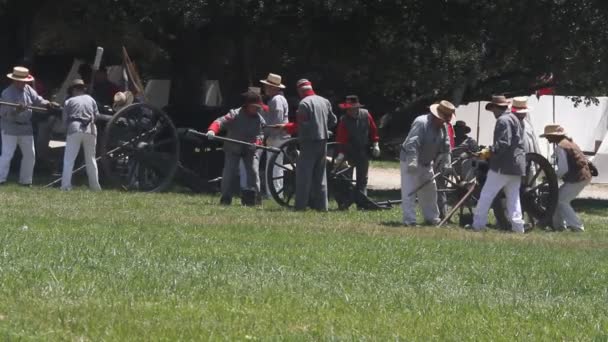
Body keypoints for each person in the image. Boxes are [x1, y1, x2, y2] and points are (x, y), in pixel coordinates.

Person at [275, 79, 337, 211]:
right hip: (323, 141)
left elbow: (301, 126)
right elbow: (333, 120)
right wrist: (323, 128)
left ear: (299, 90)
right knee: (321, 176)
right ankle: (322, 207)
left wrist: (286, 127)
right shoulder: (324, 101)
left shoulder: (304, 104)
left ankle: (300, 206)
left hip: (308, 142)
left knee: (303, 176)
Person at [471, 95, 526, 233]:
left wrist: (488, 152)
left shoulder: (503, 120)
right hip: (516, 166)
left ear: (496, 108)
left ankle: (478, 225)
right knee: (513, 198)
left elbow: (503, 143)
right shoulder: (515, 118)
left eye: (493, 109)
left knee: (486, 195)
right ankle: (518, 227)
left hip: (503, 166)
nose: (493, 113)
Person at [0, 66, 59, 186]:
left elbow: (38, 100)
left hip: (26, 127)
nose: (23, 83)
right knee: (7, 154)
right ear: (15, 80)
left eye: (25, 81)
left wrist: (48, 103)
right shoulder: (7, 93)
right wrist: (16, 110)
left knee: (30, 155)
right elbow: (5, 114)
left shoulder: (28, 89)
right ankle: (1, 179)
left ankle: (26, 181)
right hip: (10, 127)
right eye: (21, 81)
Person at [400, 100, 454, 226]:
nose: (445, 122)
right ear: (436, 116)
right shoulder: (421, 122)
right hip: (410, 159)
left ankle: (432, 218)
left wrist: (447, 163)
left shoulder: (443, 127)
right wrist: (412, 162)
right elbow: (411, 143)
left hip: (426, 161)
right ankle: (409, 221)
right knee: (410, 191)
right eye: (443, 119)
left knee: (430, 191)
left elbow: (446, 147)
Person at [208, 91, 266, 206]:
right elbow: (220, 121)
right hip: (233, 148)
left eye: (258, 107)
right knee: (229, 173)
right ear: (247, 105)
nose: (256, 109)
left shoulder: (259, 119)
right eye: (254, 107)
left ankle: (255, 199)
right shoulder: (234, 114)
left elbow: (260, 135)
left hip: (250, 149)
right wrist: (212, 130)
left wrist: (257, 143)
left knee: (253, 173)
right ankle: (225, 198)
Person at [540, 125, 592, 232]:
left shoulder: (561, 147)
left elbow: (564, 169)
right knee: (558, 199)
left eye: (548, 136)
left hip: (578, 177)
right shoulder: (569, 143)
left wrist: (551, 177)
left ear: (554, 136)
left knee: (561, 200)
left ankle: (577, 226)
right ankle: (559, 226)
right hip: (582, 176)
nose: (547, 139)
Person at [61, 79, 102, 191]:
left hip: (74, 128)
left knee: (69, 160)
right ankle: (95, 187)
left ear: (73, 89)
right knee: (91, 160)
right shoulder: (91, 99)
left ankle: (65, 186)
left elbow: (64, 121)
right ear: (83, 89)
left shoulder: (69, 101)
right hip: (91, 129)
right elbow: (97, 115)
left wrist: (65, 131)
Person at [260, 73, 289, 197]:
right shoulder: (278, 99)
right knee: (276, 166)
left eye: (267, 86)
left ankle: (273, 194)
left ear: (273, 88)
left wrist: (267, 135)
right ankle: (276, 193)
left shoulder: (276, 100)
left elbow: (276, 121)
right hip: (279, 136)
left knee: (274, 168)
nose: (265, 88)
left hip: (277, 137)